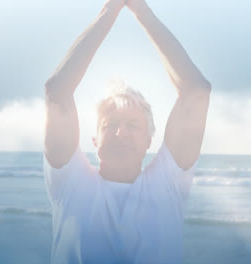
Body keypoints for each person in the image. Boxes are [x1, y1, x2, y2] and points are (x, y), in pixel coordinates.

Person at [43, 0, 211, 263]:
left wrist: (140, 9)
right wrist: (110, 8)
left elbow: (197, 92)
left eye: (132, 125)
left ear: (149, 140)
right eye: (110, 125)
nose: (120, 133)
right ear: (95, 140)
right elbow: (57, 92)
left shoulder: (166, 184)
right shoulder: (70, 182)